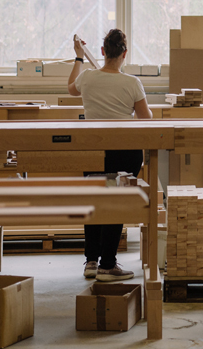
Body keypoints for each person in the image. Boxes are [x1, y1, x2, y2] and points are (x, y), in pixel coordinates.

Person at [68, 29, 152, 281]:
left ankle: (91, 262)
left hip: (92, 150)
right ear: (124, 54)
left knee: (94, 202)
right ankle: (107, 265)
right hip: (124, 151)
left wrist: (79, 57)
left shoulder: (87, 78)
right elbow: (145, 119)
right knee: (115, 203)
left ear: (103, 51)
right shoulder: (132, 83)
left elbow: (71, 89)